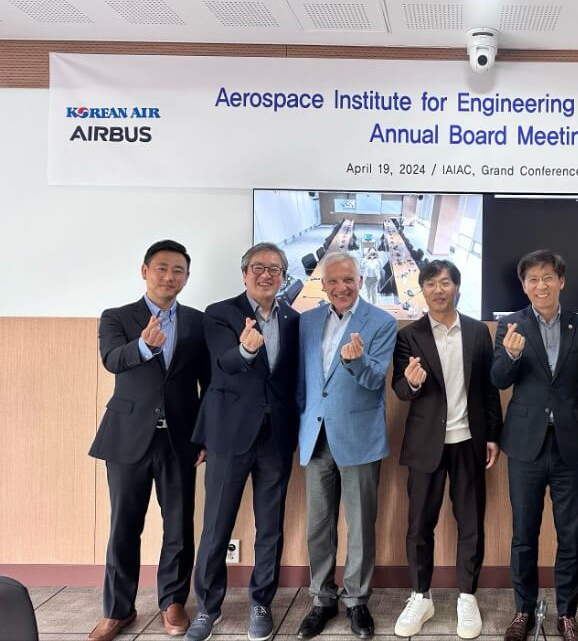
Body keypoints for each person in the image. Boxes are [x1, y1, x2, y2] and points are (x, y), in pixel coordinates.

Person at [88, 240, 210, 641]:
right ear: (144, 271)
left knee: (178, 524)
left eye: (178, 270)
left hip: (179, 440)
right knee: (124, 525)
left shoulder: (196, 321)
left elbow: (207, 384)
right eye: (162, 268)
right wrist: (144, 345)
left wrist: (205, 434)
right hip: (127, 438)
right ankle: (118, 609)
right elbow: (111, 360)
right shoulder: (117, 317)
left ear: (186, 278)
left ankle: (172, 601)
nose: (169, 276)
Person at [490, 250, 578, 641]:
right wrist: (510, 354)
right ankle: (523, 610)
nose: (540, 286)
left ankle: (567, 614)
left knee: (570, 534)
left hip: (571, 446)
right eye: (532, 280)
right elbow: (499, 380)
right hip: (525, 445)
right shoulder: (511, 325)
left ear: (561, 281)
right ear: (523, 286)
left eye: (547, 277)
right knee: (524, 533)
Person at [186, 243, 300, 641]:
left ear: (283, 276)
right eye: (258, 267)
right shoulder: (221, 313)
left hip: (276, 438)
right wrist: (245, 349)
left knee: (270, 527)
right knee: (216, 525)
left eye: (274, 269)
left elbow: (290, 381)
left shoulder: (292, 318)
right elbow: (223, 364)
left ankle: (261, 603)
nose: (266, 274)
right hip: (229, 434)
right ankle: (208, 608)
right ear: (244, 273)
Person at [390, 260, 503, 639]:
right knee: (419, 525)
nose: (438, 290)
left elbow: (489, 391)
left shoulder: (476, 332)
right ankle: (420, 596)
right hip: (425, 445)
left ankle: (467, 597)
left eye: (445, 283)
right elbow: (401, 391)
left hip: (469, 441)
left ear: (456, 287)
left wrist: (493, 436)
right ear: (422, 291)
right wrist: (412, 383)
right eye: (430, 284)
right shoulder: (409, 335)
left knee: (471, 523)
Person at [295, 251, 397, 640]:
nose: (340, 287)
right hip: (315, 437)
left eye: (348, 280)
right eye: (332, 281)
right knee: (318, 526)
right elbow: (304, 382)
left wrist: (356, 361)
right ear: (323, 284)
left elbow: (375, 381)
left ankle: (357, 601)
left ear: (360, 280)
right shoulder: (307, 322)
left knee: (360, 526)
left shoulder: (382, 322)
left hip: (359, 438)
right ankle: (322, 600)